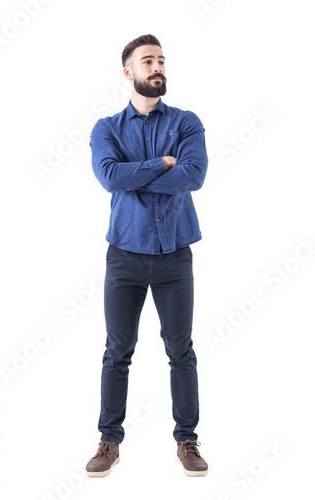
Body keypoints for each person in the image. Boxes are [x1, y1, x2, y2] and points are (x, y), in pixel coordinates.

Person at [85, 34, 208, 478]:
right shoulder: (106, 129)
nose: (157, 67)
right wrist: (162, 164)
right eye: (147, 61)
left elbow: (194, 177)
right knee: (117, 351)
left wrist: (136, 175)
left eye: (160, 60)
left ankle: (187, 439)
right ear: (128, 72)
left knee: (181, 350)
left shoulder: (187, 122)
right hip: (125, 256)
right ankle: (108, 440)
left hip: (175, 255)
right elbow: (108, 177)